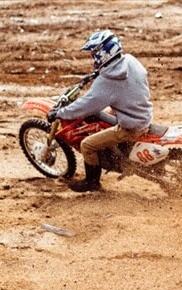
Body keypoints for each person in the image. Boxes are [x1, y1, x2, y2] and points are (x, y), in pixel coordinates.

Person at [48, 30, 153, 192]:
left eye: (94, 53)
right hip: (141, 110)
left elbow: (86, 105)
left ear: (103, 53)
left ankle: (92, 182)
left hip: (131, 126)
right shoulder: (130, 60)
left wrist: (60, 113)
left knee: (87, 145)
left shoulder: (107, 82)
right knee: (107, 111)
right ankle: (116, 151)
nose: (92, 57)